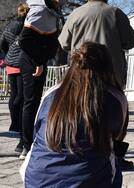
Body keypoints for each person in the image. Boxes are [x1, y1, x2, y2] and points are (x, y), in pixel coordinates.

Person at [20, 42, 127, 187]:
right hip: (89, 180)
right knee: (113, 163)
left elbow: (37, 132)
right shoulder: (115, 97)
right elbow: (117, 137)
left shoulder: (51, 93)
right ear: (108, 67)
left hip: (37, 178)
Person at [58, 0, 134, 169]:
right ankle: (115, 157)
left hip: (80, 74)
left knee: (79, 112)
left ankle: (81, 151)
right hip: (111, 73)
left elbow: (63, 43)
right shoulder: (115, 13)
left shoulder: (76, 14)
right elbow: (131, 41)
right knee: (116, 114)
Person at [18, 0, 72, 159]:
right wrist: (39, 62)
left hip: (39, 59)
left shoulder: (52, 8)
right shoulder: (41, 9)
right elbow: (25, 40)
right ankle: (26, 145)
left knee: (34, 101)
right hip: (32, 61)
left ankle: (24, 140)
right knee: (31, 102)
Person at [0, 3, 29, 151]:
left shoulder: (10, 25)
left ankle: (13, 123)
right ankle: (18, 123)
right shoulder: (28, 26)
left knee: (14, 94)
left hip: (10, 62)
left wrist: (5, 57)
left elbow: (3, 43)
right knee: (22, 96)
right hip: (23, 63)